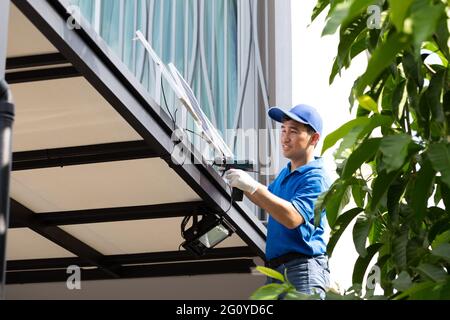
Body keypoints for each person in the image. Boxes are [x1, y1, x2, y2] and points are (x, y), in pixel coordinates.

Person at [225, 104, 331, 299]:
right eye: (283, 130)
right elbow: (266, 198)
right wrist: (239, 181)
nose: (285, 137)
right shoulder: (286, 173)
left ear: (314, 138)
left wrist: (251, 186)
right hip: (277, 272)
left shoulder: (316, 177)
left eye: (293, 131)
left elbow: (292, 217)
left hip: (303, 271)